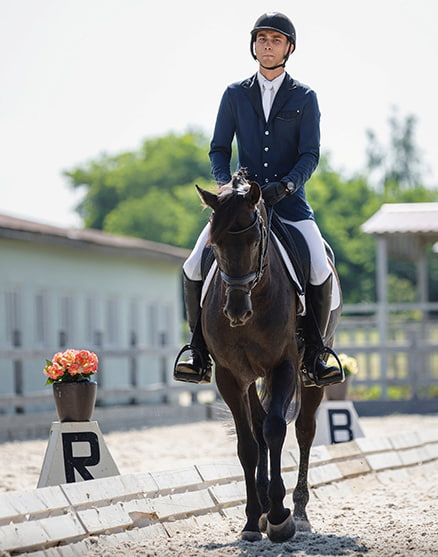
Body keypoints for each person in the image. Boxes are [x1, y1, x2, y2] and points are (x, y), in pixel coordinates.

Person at [174, 11, 342, 387]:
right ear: (253, 46)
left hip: (290, 203)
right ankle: (197, 351)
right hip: (240, 206)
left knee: (318, 266)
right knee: (191, 265)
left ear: (289, 48)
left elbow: (309, 154)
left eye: (276, 39)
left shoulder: (305, 97)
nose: (268, 44)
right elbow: (218, 149)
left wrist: (286, 186)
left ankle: (316, 353)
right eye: (262, 39)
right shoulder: (235, 94)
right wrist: (225, 187)